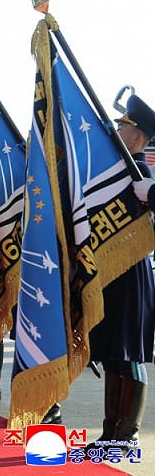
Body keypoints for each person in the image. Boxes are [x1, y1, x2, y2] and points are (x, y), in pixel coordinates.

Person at [89, 94, 155, 450]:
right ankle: (109, 430)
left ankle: (126, 435)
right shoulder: (118, 169)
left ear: (138, 135)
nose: (117, 129)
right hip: (113, 274)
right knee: (113, 352)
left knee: (128, 353)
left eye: (123, 125)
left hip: (132, 273)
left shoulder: (139, 172)